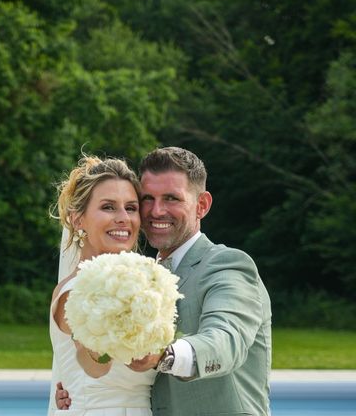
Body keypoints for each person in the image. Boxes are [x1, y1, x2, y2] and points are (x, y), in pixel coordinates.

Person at [56, 147, 272, 416]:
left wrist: (165, 356)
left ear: (202, 205)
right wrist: (75, 389)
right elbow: (93, 362)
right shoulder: (136, 279)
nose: (157, 211)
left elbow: (226, 341)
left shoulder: (227, 266)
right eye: (148, 199)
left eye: (171, 198)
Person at [48, 155, 161, 415]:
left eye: (131, 208)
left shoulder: (141, 286)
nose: (123, 218)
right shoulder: (76, 292)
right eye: (108, 207)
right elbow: (95, 365)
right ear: (78, 220)